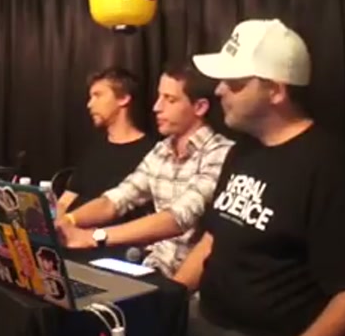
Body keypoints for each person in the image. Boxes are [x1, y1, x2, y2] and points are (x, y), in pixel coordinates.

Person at [171, 19, 345, 336]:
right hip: (206, 319)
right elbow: (214, 238)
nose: (219, 90)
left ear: (276, 91)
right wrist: (168, 296)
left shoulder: (327, 165)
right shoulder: (242, 151)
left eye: (235, 83)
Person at [55, 63, 234, 277]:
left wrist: (94, 237)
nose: (157, 107)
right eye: (159, 97)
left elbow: (177, 219)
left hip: (189, 281)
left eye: (170, 99)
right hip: (151, 267)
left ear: (200, 107)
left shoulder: (221, 153)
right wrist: (66, 221)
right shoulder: (161, 150)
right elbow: (116, 200)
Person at [55, 67, 155, 217]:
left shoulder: (151, 153)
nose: (90, 104)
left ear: (123, 98)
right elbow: (66, 200)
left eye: (98, 95)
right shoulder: (94, 149)